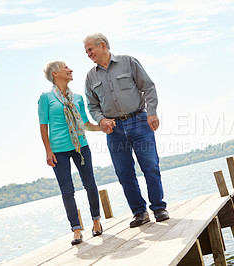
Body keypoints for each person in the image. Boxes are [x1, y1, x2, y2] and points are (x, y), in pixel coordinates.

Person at [83, 33, 169, 228]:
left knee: (150, 166)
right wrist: (101, 119)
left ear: (103, 45)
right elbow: (92, 106)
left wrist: (152, 112)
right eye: (86, 51)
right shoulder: (90, 76)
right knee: (124, 172)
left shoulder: (128, 62)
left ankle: (158, 207)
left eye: (90, 49)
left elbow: (148, 87)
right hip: (114, 129)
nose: (88, 54)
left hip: (139, 120)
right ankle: (139, 212)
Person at [38, 61, 104, 245]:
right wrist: (48, 151)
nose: (70, 70)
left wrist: (103, 127)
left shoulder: (77, 98)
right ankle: (76, 229)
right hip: (58, 151)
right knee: (67, 191)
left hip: (80, 146)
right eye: (65, 68)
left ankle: (96, 221)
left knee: (90, 183)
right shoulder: (46, 98)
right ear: (55, 74)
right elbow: (43, 127)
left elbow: (84, 124)